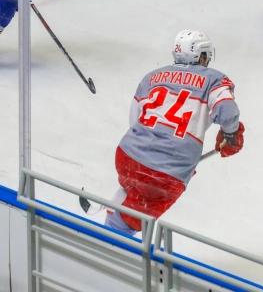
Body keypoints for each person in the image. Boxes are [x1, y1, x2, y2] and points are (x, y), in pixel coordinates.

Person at [104, 31, 243, 235]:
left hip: (127, 156)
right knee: (129, 222)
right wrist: (231, 134)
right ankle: (108, 254)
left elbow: (135, 119)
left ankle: (112, 219)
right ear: (200, 56)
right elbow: (227, 110)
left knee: (132, 191)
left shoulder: (152, 77)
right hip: (165, 173)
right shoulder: (214, 79)